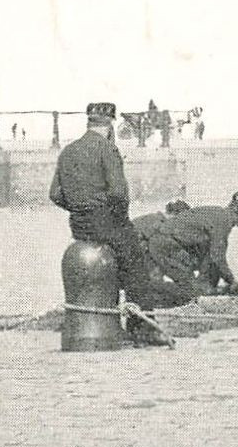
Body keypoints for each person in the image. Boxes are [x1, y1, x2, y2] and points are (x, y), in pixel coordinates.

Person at [50, 103, 190, 310]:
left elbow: (55, 194)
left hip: (79, 226)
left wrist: (79, 206)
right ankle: (142, 328)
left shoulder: (68, 151)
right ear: (110, 125)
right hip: (105, 222)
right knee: (136, 267)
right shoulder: (107, 149)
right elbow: (118, 193)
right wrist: (118, 218)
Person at [147, 190, 238, 296]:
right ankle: (148, 291)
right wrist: (232, 281)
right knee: (190, 291)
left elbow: (211, 255)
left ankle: (204, 287)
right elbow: (218, 257)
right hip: (165, 245)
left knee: (199, 283)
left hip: (169, 243)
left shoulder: (218, 214)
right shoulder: (222, 221)